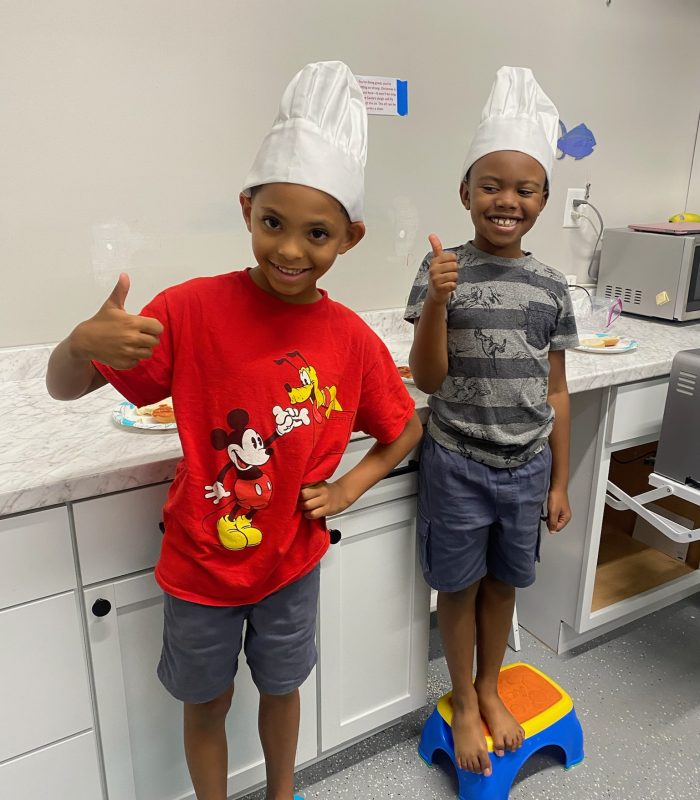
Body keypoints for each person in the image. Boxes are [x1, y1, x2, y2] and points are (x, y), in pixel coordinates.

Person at [46, 60, 422, 800]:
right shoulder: (189, 311)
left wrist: (350, 485)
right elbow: (65, 388)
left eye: (317, 233)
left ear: (349, 237)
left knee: (283, 691)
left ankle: (283, 793)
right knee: (206, 702)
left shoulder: (349, 340)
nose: (290, 249)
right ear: (248, 208)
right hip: (199, 568)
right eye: (273, 223)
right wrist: (79, 343)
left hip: (291, 564)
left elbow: (402, 431)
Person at [405, 66, 579, 777]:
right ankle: (464, 700)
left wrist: (560, 480)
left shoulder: (551, 285)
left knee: (504, 585)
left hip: (527, 465)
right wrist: (440, 302)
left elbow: (558, 390)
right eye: (492, 185)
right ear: (466, 192)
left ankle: (489, 685)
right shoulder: (441, 268)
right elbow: (428, 379)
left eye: (525, 188)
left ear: (542, 198)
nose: (507, 200)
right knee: (459, 587)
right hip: (456, 461)